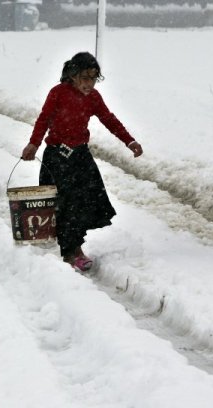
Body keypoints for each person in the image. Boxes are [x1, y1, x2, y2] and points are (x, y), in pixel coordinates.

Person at [21, 51, 143, 271]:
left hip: (80, 156)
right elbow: (44, 119)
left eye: (93, 78)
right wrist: (33, 144)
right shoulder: (58, 93)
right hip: (57, 157)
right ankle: (72, 252)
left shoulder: (93, 98)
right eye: (85, 78)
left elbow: (108, 119)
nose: (89, 83)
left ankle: (75, 245)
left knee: (85, 201)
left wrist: (129, 141)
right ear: (73, 75)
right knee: (66, 204)